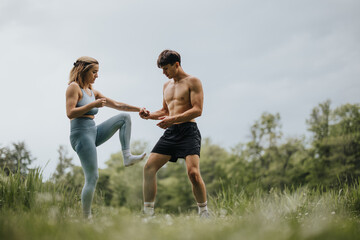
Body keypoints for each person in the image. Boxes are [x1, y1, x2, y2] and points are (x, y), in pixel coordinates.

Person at [66, 56, 147, 218]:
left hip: (93, 131)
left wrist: (140, 109)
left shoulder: (92, 91)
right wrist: (93, 105)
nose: (97, 76)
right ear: (84, 70)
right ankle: (86, 217)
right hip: (81, 135)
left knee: (124, 117)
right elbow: (70, 113)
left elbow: (117, 105)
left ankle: (127, 156)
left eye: (97, 72)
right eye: (94, 72)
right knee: (93, 177)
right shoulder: (73, 88)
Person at [139, 50, 209, 218]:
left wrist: (173, 119)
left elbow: (197, 110)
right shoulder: (166, 86)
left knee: (193, 173)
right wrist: (149, 116)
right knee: (149, 168)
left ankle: (204, 212)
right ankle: (148, 215)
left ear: (176, 64)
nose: (164, 73)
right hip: (171, 132)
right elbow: (165, 110)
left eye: (166, 69)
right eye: (162, 69)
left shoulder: (193, 81)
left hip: (188, 131)